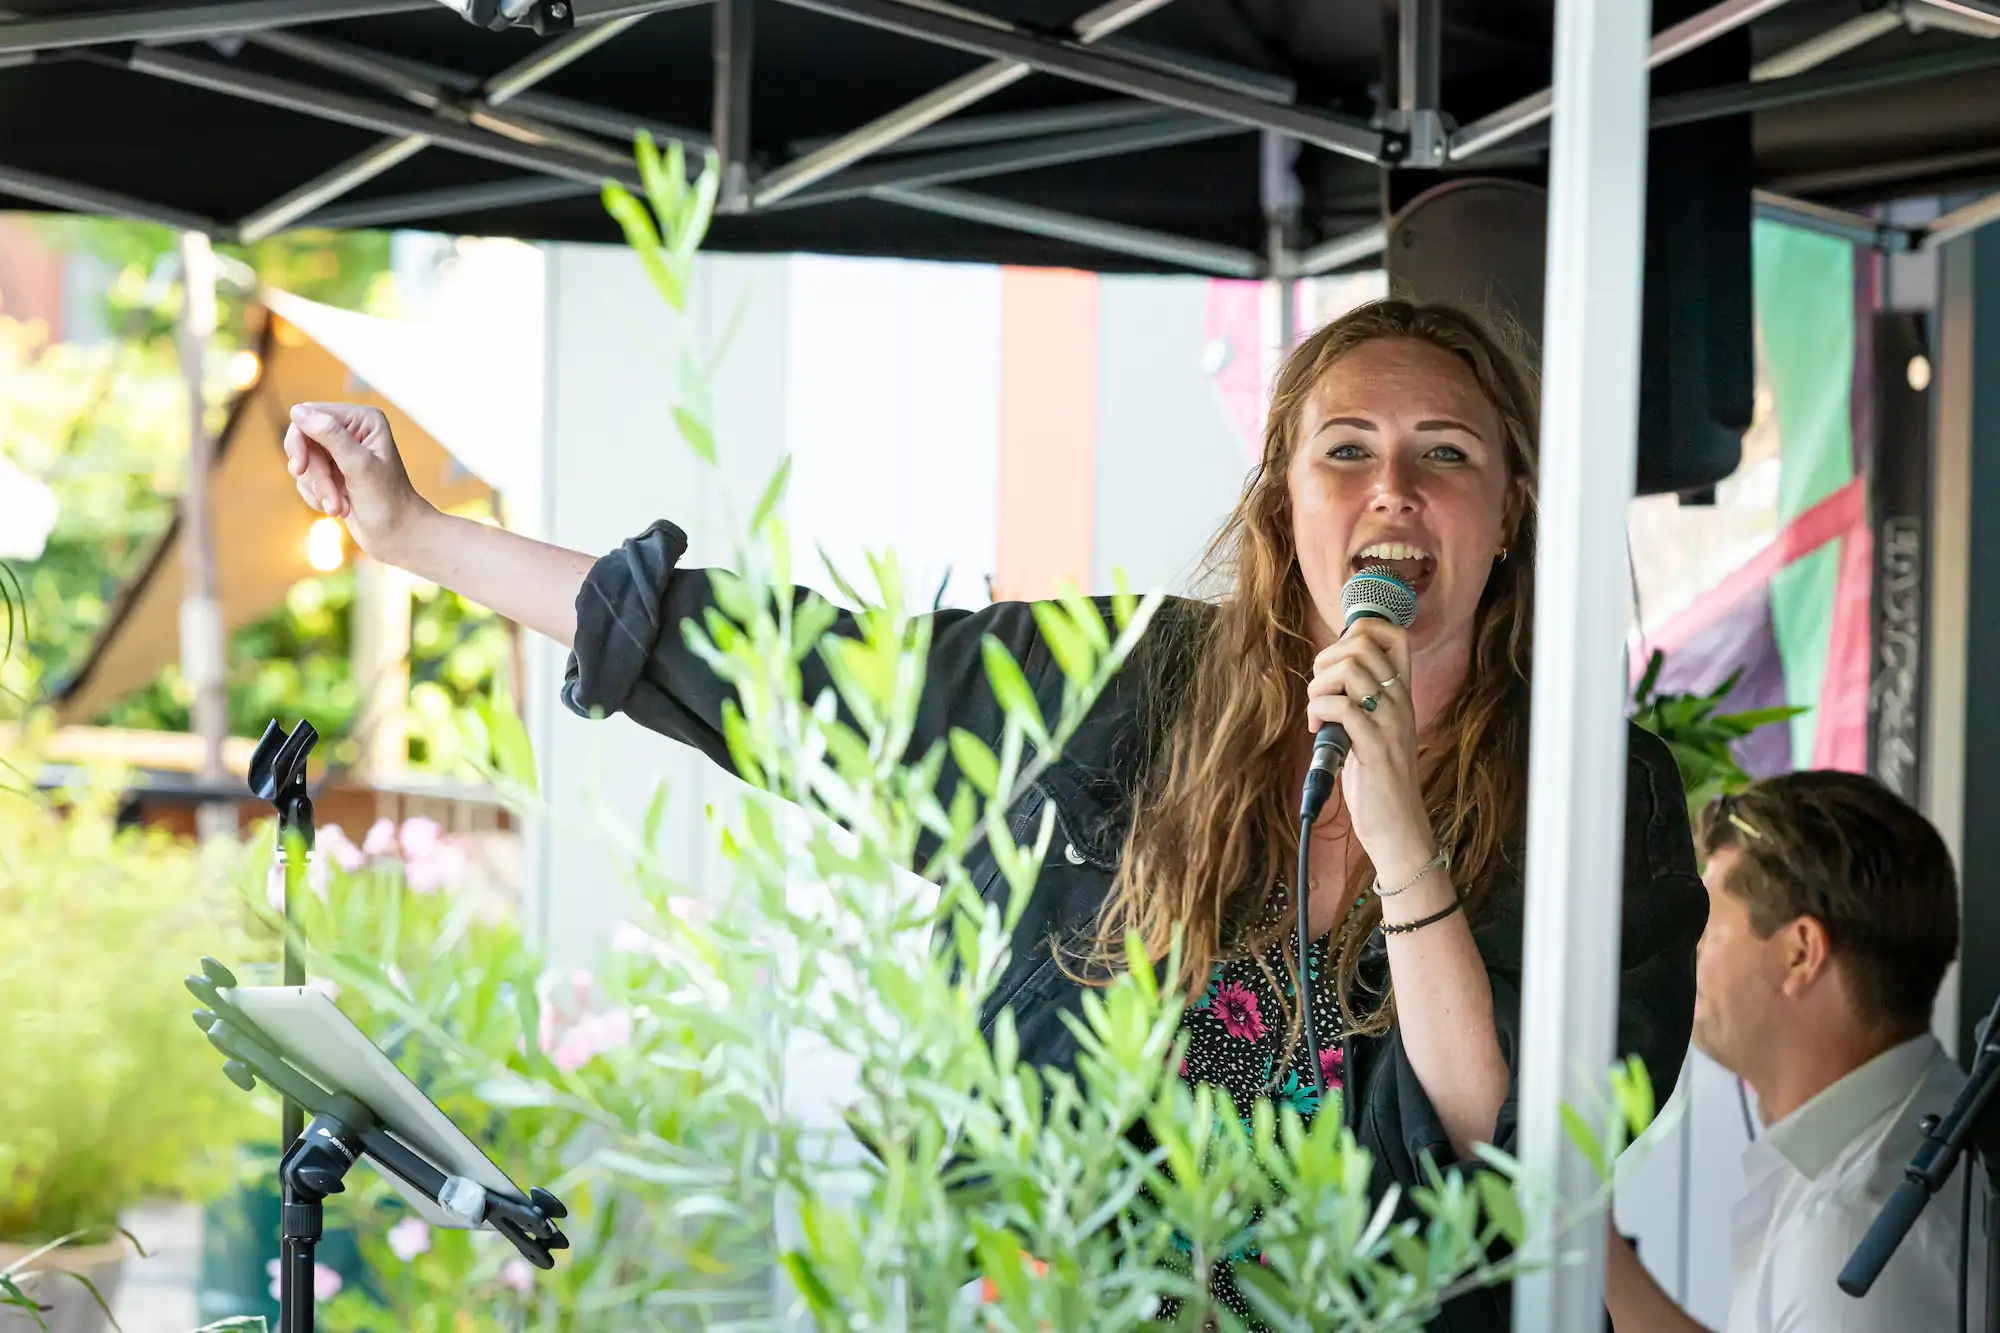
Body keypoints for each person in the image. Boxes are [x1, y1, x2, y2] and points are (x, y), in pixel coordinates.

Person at [283, 299, 1707, 1330]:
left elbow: (1505, 1140)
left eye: (1443, 454)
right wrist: (418, 534)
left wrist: (1401, 839)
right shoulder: (1131, 687)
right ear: (1284, 501)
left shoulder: (1600, 792)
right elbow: (796, 671)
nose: (1391, 488)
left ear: (1508, 508)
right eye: (1345, 450)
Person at [1604, 770, 1966, 1333]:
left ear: (1800, 953)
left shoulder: (1852, 1240)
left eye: (1707, 930)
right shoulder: (1888, 1149)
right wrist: (1587, 1242)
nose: (1687, 957)